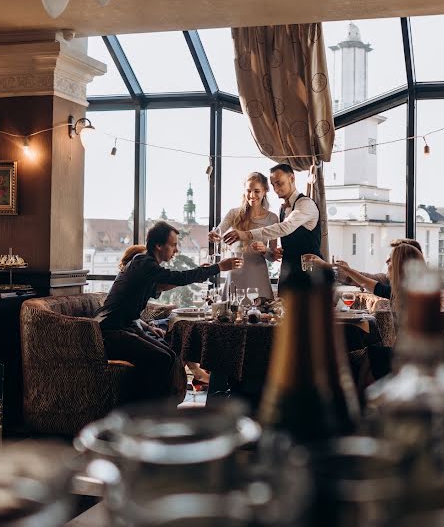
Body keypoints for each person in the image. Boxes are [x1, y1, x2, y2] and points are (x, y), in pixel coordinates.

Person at [94, 221, 240, 401]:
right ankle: (147, 410)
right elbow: (177, 278)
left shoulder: (144, 266)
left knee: (171, 354)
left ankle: (164, 408)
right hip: (111, 333)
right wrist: (218, 267)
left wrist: (147, 327)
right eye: (173, 245)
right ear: (158, 245)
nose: (176, 250)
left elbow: (164, 285)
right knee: (162, 358)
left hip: (124, 328)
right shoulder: (144, 263)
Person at [223, 163, 321, 291]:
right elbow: (288, 239)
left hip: (310, 276)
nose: (276, 189)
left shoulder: (305, 204)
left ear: (292, 178)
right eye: (273, 185)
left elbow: (285, 228)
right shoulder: (282, 209)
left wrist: (246, 234)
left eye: (279, 183)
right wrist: (276, 251)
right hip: (288, 276)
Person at [210, 172, 279, 299]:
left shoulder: (272, 218)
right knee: (231, 313)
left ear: (265, 191)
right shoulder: (233, 213)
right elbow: (219, 230)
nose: (252, 195)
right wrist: (214, 235)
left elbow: (272, 257)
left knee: (260, 315)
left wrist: (264, 250)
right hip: (235, 272)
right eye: (248, 191)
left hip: (258, 274)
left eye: (257, 191)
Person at [304, 238, 424, 299]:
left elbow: (363, 281)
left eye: (392, 258)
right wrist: (328, 266)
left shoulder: (409, 294)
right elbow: (362, 280)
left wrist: (328, 266)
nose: (386, 261)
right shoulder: (392, 285)